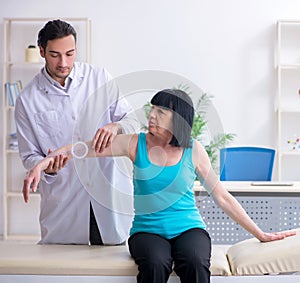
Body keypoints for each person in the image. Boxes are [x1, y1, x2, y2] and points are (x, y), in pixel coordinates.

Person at [23, 89, 296, 283]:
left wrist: (260, 233)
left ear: (177, 119)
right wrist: (44, 161)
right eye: (152, 109)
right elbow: (86, 149)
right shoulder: (135, 143)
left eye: (161, 111)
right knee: (156, 264)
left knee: (195, 262)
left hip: (189, 228)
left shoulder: (194, 150)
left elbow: (222, 197)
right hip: (146, 232)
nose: (151, 115)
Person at [15, 19, 139, 245]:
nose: (64, 62)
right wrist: (48, 169)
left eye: (70, 54)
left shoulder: (99, 78)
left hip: (108, 197)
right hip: (64, 207)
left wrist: (116, 126)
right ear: (42, 51)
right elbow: (28, 155)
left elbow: (132, 121)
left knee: (114, 272)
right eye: (55, 55)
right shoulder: (27, 99)